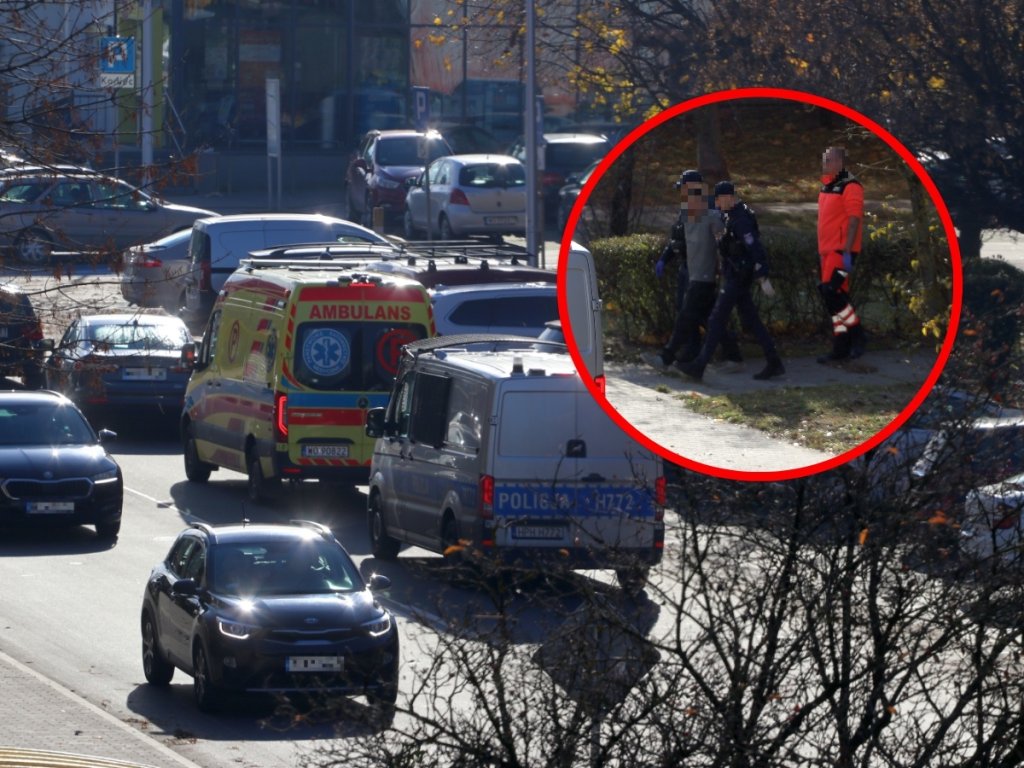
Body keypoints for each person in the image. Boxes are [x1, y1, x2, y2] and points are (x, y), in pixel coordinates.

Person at [676, 181, 784, 382]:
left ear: (727, 197)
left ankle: (699, 366)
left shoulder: (740, 219)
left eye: (718, 199)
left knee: (716, 319)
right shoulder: (733, 215)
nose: (716, 204)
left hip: (738, 277)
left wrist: (762, 271)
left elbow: (754, 246)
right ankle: (774, 361)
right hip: (736, 275)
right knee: (752, 320)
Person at [654, 170, 743, 367]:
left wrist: (723, 267)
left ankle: (668, 356)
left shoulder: (711, 211)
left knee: (688, 314)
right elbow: (677, 239)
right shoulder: (687, 210)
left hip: (703, 272)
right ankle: (731, 355)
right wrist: (664, 259)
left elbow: (723, 242)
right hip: (690, 268)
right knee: (707, 316)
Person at [817, 146, 866, 363]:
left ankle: (857, 334)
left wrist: (847, 248)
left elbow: (854, 218)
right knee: (837, 299)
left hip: (843, 251)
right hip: (827, 251)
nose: (824, 164)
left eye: (828, 160)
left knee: (831, 293)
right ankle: (841, 346)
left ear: (839, 163)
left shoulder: (850, 185)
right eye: (824, 160)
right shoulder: (827, 186)